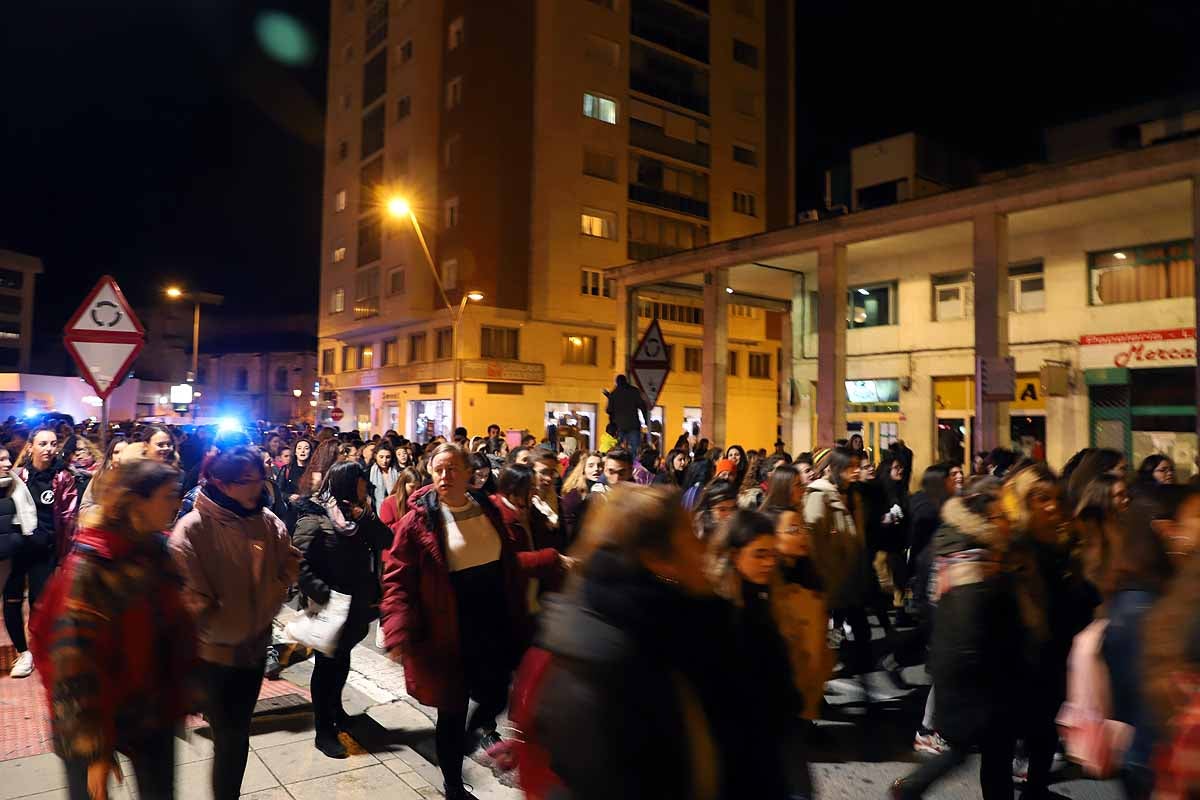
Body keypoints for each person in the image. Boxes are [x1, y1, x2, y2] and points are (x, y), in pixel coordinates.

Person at [533, 485, 786, 799]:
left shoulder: (586, 614)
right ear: (659, 558)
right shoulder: (676, 636)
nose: (700, 543)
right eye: (688, 536)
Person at [31, 459, 195, 800]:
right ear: (137, 501)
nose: (176, 503)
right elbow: (71, 666)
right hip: (94, 718)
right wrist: (94, 752)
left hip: (150, 709)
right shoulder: (91, 567)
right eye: (168, 495)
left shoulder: (154, 551)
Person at [380, 444, 525, 800]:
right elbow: (396, 577)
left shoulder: (486, 508)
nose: (445, 476)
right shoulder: (418, 521)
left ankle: (467, 741)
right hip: (448, 626)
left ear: (467, 472)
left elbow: (508, 562)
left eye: (452, 469)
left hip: (492, 621)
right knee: (452, 709)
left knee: (495, 694)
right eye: (438, 469)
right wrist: (396, 630)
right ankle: (453, 784)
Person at [170, 446, 299, 800]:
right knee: (228, 734)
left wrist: (275, 588)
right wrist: (219, 612)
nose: (257, 486)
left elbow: (290, 561)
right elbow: (188, 597)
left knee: (238, 734)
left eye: (260, 478)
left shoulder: (268, 520)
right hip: (213, 656)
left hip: (254, 649)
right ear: (222, 484)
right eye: (247, 480)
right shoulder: (193, 528)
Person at [891, 479, 1021, 800]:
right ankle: (910, 788)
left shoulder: (953, 545)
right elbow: (969, 621)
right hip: (974, 674)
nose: (1008, 520)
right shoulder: (973, 559)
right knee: (987, 750)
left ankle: (911, 788)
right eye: (1001, 514)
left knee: (974, 749)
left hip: (959, 667)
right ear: (986, 517)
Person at [1004, 463, 1098, 799]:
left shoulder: (1066, 545)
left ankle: (1036, 789)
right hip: (1018, 663)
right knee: (1005, 745)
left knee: (1044, 735)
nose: (1051, 506)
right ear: (1021, 502)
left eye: (1055, 498)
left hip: (1055, 658)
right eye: (1040, 498)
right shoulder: (1011, 549)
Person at [293, 461, 392, 758]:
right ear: (347, 484)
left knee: (342, 661)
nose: (366, 488)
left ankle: (337, 712)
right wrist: (324, 596)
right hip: (329, 606)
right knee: (325, 669)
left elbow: (387, 540)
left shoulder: (356, 516)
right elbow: (299, 563)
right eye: (362, 483)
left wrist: (365, 517)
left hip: (355, 604)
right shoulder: (315, 516)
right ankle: (323, 730)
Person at [706, 509, 802, 798]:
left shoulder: (763, 596)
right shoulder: (718, 608)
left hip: (770, 734)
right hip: (738, 744)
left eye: (772, 554)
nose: (769, 562)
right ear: (734, 555)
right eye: (759, 554)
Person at [8, 427, 78, 678]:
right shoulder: (17, 476)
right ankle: (22, 651)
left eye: (53, 443)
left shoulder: (63, 477)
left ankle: (38, 649)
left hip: (45, 551)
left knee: (40, 602)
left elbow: (69, 519)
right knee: (12, 600)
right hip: (17, 550)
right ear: (31, 446)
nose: (49, 448)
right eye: (43, 443)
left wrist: (64, 555)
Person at [491, 464, 569, 642]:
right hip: (513, 602)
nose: (535, 491)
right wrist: (553, 558)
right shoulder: (498, 515)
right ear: (515, 489)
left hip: (535, 597)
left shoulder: (531, 510)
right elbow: (510, 561)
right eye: (531, 487)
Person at [0, 446, 37, 605]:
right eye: (1, 459)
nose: (8, 463)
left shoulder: (14, 484)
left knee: (10, 601)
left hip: (9, 559)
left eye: (8, 458)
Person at [560, 451, 602, 545]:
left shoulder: (602, 488)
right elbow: (569, 523)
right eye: (591, 466)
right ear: (583, 469)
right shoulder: (575, 492)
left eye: (599, 465)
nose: (596, 469)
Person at [604, 375, 647, 453]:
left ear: (617, 382)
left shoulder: (614, 393)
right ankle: (634, 464)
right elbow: (642, 406)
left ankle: (623, 463)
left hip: (619, 426)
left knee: (619, 449)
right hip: (633, 425)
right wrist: (646, 421)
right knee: (635, 449)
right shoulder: (634, 391)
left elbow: (609, 410)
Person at [369, 441, 400, 511]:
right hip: (375, 511)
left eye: (388, 457)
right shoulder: (369, 472)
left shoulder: (397, 472)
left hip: (395, 509)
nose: (384, 461)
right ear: (375, 456)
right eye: (381, 457)